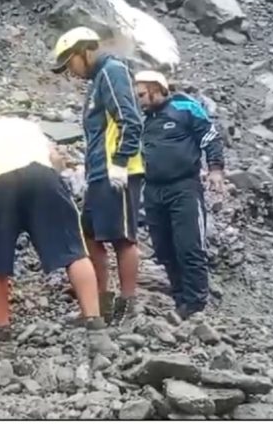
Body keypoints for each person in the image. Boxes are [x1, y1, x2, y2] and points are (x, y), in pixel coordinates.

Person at [0, 109, 108, 345]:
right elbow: (56, 161)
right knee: (74, 251)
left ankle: (3, 340)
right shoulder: (24, 125)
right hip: (43, 177)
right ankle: (96, 326)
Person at [52, 27, 144, 325]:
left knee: (122, 237)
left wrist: (119, 161)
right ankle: (101, 303)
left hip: (117, 172)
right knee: (89, 233)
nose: (71, 73)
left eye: (71, 64)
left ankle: (129, 306)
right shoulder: (96, 81)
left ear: (85, 51)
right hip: (99, 173)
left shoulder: (111, 71)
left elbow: (130, 120)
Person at [135, 70, 225, 320]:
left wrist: (215, 169)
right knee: (163, 248)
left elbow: (210, 135)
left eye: (142, 94)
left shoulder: (184, 107)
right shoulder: (144, 120)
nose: (139, 99)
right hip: (153, 190)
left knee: (189, 245)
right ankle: (179, 297)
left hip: (183, 187)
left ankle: (195, 304)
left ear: (157, 88)